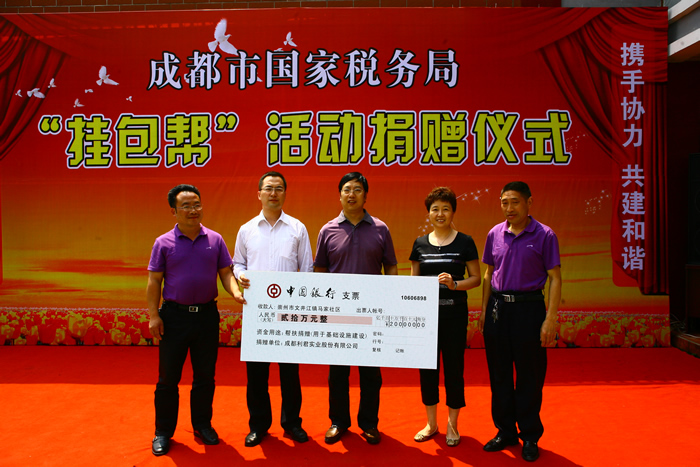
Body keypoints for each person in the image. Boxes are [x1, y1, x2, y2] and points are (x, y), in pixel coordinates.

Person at [147, 184, 246, 457]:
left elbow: (225, 273)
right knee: (168, 378)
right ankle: (163, 431)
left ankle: (202, 425)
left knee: (205, 376)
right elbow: (154, 281)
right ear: (174, 211)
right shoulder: (163, 242)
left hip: (206, 317)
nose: (193, 210)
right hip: (174, 317)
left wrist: (235, 292)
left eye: (197, 205)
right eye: (186, 206)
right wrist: (154, 315)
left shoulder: (215, 239)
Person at [478, 181, 561, 462]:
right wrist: (483, 310)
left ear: (529, 203)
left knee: (529, 375)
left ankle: (530, 435)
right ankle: (505, 431)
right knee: (499, 373)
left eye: (515, 202)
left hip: (529, 309)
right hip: (498, 309)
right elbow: (488, 273)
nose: (509, 208)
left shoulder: (544, 235)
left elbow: (555, 278)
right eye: (504, 202)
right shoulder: (494, 233)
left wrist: (550, 318)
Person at [314, 172, 398, 445]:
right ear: (339, 195)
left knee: (371, 373)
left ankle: (369, 423)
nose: (352, 194)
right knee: (337, 373)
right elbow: (320, 271)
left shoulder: (381, 229)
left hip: (372, 315)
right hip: (338, 315)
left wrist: (391, 301)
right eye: (347, 189)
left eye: (357, 190)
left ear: (366, 195)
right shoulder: (327, 230)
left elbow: (391, 267)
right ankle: (338, 421)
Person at [233, 171, 314, 447]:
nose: (273, 193)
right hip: (257, 313)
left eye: (279, 188)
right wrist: (241, 275)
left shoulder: (297, 228)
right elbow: (238, 263)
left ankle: (292, 423)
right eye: (268, 188)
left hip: (289, 313)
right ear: (259, 194)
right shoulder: (246, 229)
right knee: (257, 375)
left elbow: (307, 269)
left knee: (290, 373)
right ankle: (258, 426)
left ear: (285, 194)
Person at [409, 187, 481, 447]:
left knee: (453, 369)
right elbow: (413, 281)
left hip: (454, 315)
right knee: (427, 370)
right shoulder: (419, 243)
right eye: (435, 209)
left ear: (453, 212)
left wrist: (455, 284)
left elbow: (476, 278)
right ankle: (431, 424)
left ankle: (452, 425)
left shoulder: (465, 242)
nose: (440, 214)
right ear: (428, 213)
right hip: (426, 318)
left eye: (445, 209)